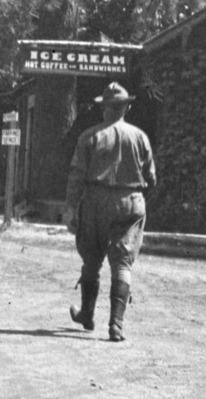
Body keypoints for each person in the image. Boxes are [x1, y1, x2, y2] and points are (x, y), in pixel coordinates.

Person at [65, 82, 157, 342]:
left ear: (104, 108)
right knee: (123, 263)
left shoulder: (89, 136)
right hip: (132, 201)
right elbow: (152, 178)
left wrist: (71, 208)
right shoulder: (140, 137)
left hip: (96, 201)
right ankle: (116, 325)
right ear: (126, 107)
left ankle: (87, 314)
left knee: (92, 259)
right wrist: (136, 199)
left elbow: (76, 176)